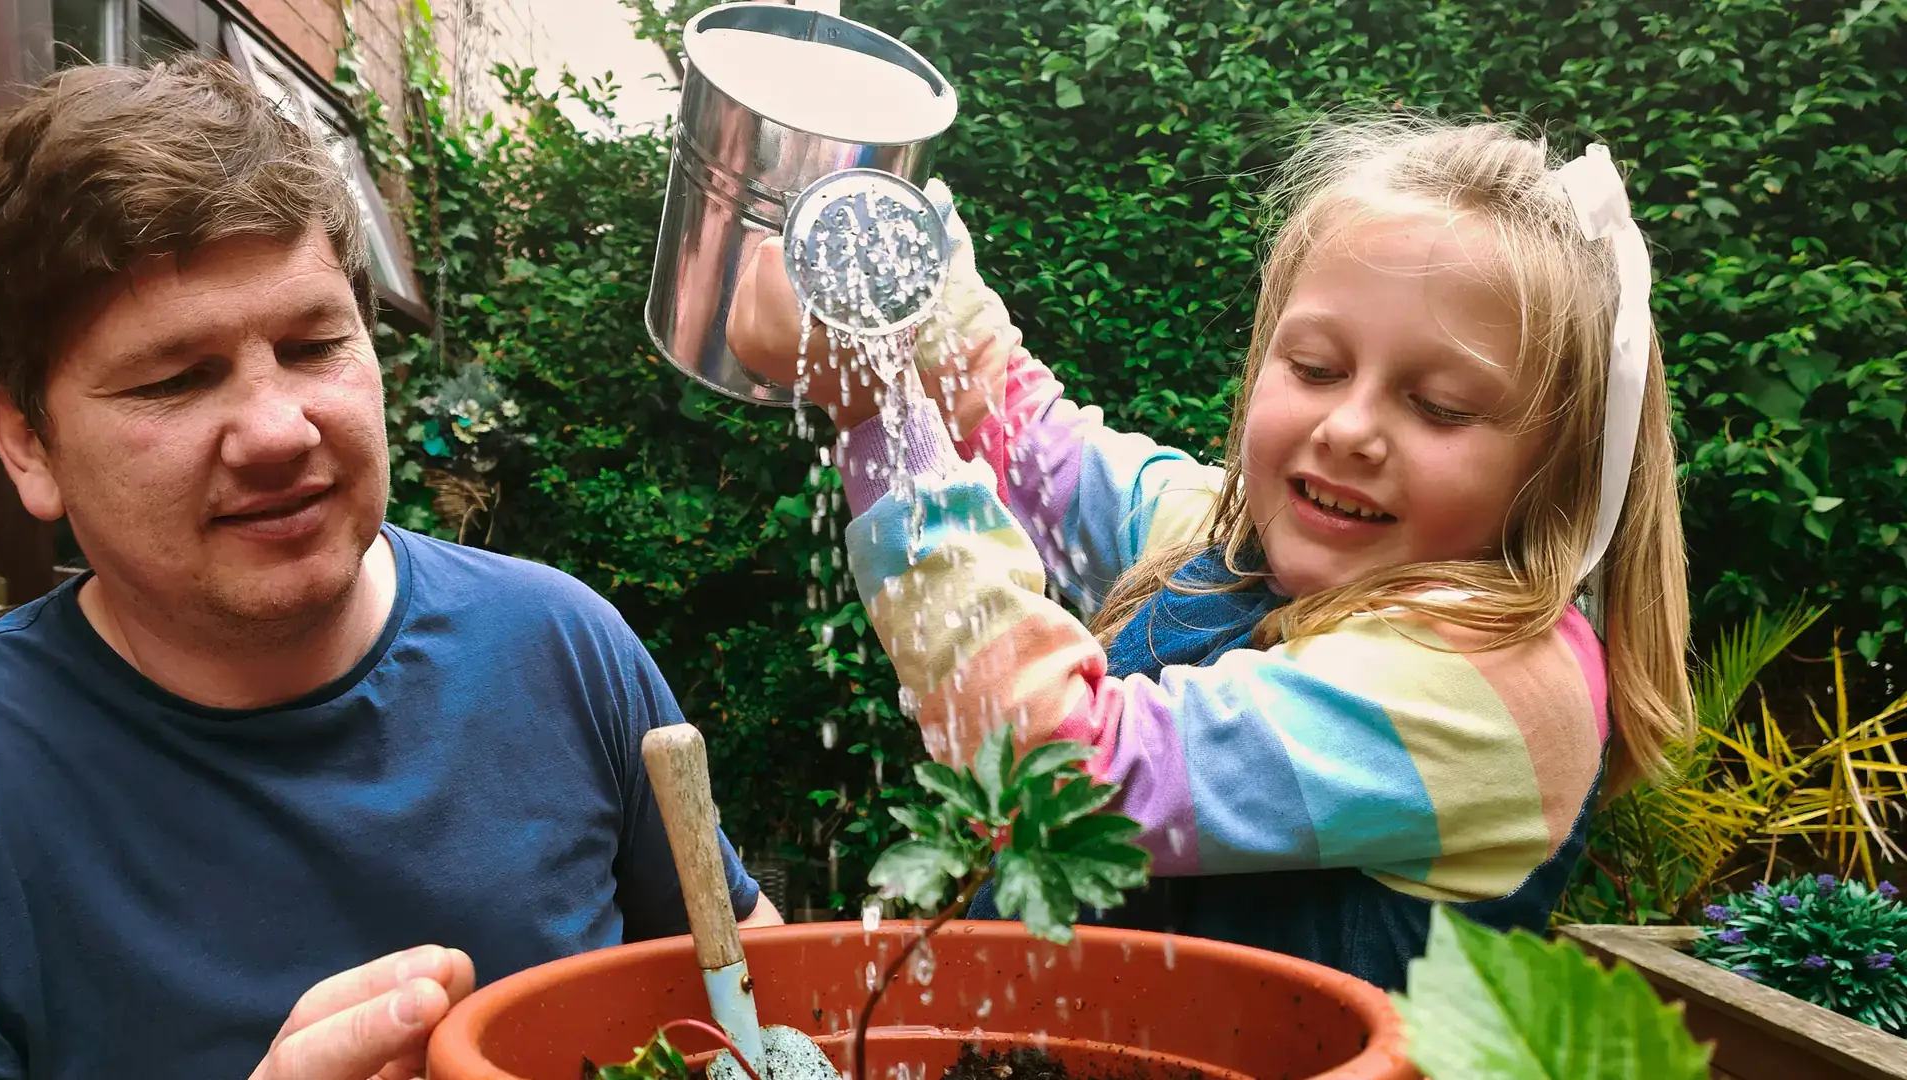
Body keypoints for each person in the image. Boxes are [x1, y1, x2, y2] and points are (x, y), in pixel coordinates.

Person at [726, 116, 1693, 988]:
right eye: (1316, 367)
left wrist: (880, 418)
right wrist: (909, 269)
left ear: (1557, 471)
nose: (1350, 428)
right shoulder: (1236, 541)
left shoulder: (1496, 682)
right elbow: (1033, 444)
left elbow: (1061, 781)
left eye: (1439, 408)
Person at [0, 57, 778, 1080]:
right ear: (27, 443)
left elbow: (755, 997)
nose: (279, 430)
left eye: (313, 345)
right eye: (176, 379)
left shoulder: (561, 647)